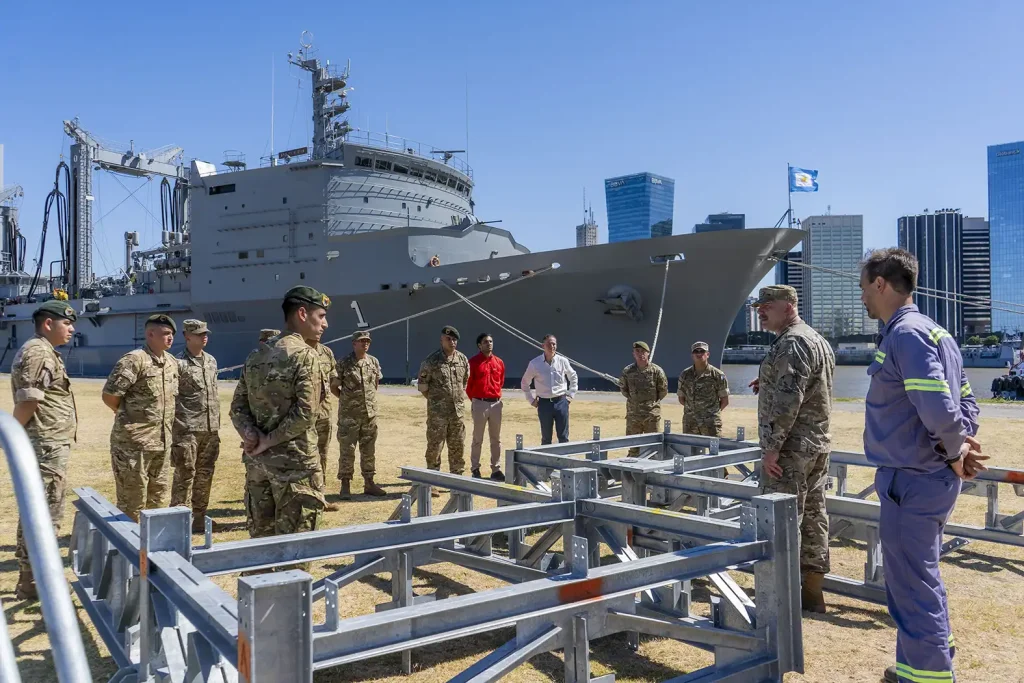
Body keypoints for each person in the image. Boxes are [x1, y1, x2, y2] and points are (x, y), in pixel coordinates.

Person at [858, 248, 986, 683]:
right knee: (922, 575)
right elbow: (965, 398)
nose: (863, 298)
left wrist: (955, 451)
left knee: (911, 585)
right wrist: (960, 448)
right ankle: (928, 659)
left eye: (864, 288)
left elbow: (938, 405)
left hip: (911, 481)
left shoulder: (906, 334)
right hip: (926, 478)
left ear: (880, 283)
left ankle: (928, 676)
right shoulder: (936, 333)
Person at [750, 284, 835, 614]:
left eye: (767, 305)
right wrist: (767, 382)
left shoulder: (792, 342)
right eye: (759, 305)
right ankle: (812, 593)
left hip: (791, 448)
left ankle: (780, 598)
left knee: (781, 517)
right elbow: (810, 387)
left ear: (787, 306)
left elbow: (788, 400)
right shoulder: (817, 340)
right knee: (814, 516)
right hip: (816, 443)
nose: (760, 311)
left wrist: (771, 448)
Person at [231, 287, 329, 551]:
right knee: (294, 553)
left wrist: (251, 436)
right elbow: (306, 413)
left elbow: (237, 407)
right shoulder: (305, 355)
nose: (325, 324)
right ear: (302, 314)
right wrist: (267, 441)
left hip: (258, 467)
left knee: (262, 549)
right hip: (294, 469)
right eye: (320, 316)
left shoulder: (256, 356)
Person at [10, 300, 78, 600]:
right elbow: (28, 400)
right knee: (46, 513)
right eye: (67, 323)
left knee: (38, 510)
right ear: (48, 324)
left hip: (48, 444)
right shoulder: (38, 352)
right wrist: (13, 436)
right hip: (45, 445)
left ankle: (30, 580)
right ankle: (41, 581)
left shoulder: (45, 351)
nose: (72, 328)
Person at [102, 314, 179, 522]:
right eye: (165, 334)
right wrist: (129, 418)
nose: (169, 338)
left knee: (158, 500)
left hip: (162, 443)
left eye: (171, 334)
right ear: (150, 334)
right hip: (133, 445)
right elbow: (110, 396)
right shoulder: (134, 360)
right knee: (132, 502)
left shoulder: (171, 363)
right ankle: (129, 550)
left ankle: (151, 549)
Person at [171, 319, 221, 533]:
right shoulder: (178, 363)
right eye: (199, 333)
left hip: (210, 430)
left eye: (205, 333)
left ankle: (199, 518)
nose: (204, 336)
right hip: (187, 430)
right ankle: (177, 521)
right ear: (187, 336)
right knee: (185, 475)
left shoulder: (211, 361)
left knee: (205, 475)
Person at [334, 330, 387, 498]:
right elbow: (334, 386)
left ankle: (369, 483)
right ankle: (345, 485)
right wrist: (347, 400)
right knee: (347, 450)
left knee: (368, 450)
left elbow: (375, 384)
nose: (365, 344)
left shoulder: (373, 362)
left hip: (369, 416)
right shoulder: (344, 363)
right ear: (354, 343)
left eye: (367, 341)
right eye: (361, 341)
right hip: (349, 416)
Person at [418, 326, 470, 484]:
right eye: (449, 339)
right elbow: (423, 387)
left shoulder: (462, 360)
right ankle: (433, 481)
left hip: (457, 413)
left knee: (458, 446)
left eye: (454, 339)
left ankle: (457, 479)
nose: (452, 342)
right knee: (435, 447)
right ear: (442, 340)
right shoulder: (431, 361)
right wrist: (437, 402)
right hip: (438, 414)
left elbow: (464, 383)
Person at [521, 334, 578, 444]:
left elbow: (573, 376)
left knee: (564, 437)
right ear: (543, 346)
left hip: (561, 402)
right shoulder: (535, 363)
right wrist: (531, 400)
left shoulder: (563, 361)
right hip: (544, 403)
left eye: (554, 344)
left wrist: (571, 394)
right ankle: (546, 460)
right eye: (549, 344)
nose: (552, 346)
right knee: (546, 438)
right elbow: (524, 382)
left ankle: (563, 460)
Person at [467, 332, 506, 480]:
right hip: (480, 403)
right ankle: (475, 468)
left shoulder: (499, 362)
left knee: (496, 439)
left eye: (490, 341)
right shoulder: (473, 362)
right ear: (479, 345)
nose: (489, 344)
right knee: (478, 438)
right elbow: (468, 385)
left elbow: (500, 381)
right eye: (485, 342)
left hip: (496, 403)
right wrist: (476, 401)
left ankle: (496, 469)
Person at [619, 341, 668, 456]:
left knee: (653, 448)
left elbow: (663, 391)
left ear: (648, 353)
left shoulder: (657, 371)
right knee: (633, 448)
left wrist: (650, 405)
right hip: (633, 417)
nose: (640, 354)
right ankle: (631, 471)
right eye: (637, 351)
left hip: (651, 416)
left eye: (643, 352)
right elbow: (624, 390)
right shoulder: (627, 372)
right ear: (633, 354)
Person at [309, 336, 340, 511]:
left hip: (324, 413)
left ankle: (320, 496)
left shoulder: (327, 352)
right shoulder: (297, 350)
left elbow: (333, 380)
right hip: (303, 415)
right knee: (303, 457)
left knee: (322, 455)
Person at [677, 341, 730, 436]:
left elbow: (725, 400)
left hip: (711, 423)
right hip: (690, 423)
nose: (699, 354)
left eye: (702, 351)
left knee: (714, 449)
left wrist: (711, 413)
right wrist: (694, 412)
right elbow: (681, 398)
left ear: (708, 354)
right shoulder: (685, 374)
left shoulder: (717, 375)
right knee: (689, 450)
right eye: (696, 351)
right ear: (692, 355)